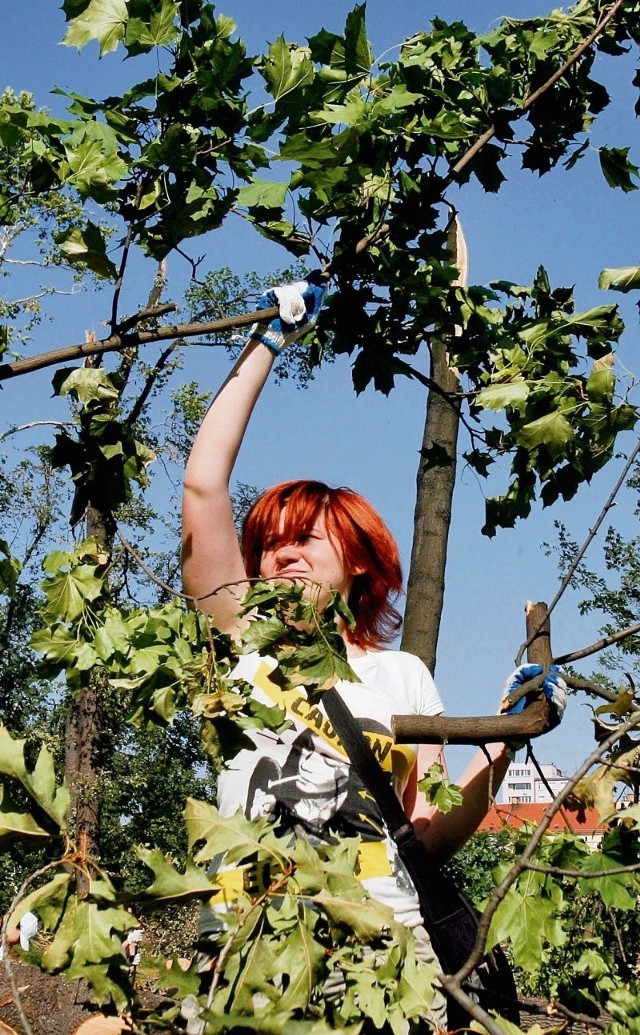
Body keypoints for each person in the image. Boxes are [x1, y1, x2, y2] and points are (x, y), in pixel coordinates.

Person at [181, 275, 566, 1024]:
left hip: (382, 949)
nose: (281, 556)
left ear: (358, 560)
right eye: (269, 545)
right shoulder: (237, 639)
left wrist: (508, 741)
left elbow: (432, 831)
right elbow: (202, 486)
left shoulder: (401, 674)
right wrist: (268, 342)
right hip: (247, 938)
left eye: (305, 540)